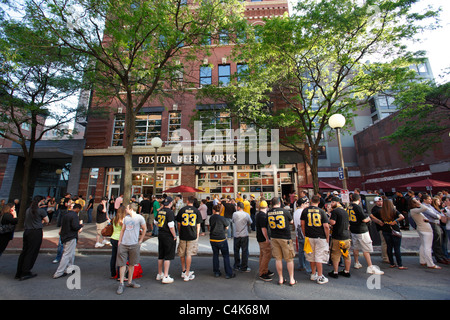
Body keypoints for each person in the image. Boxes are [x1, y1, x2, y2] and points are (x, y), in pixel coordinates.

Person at [346, 194, 384, 275]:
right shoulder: (358, 207)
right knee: (366, 249)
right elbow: (364, 219)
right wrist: (370, 218)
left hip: (353, 229)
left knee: (355, 247)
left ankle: (356, 262)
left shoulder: (349, 207)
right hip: (361, 230)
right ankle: (370, 267)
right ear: (359, 199)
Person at [15, 195, 49, 281]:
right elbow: (47, 220)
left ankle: (19, 272)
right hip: (35, 232)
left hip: (27, 231)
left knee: (25, 251)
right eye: (43, 201)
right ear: (40, 201)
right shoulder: (40, 211)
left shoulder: (28, 210)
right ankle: (25, 272)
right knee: (32, 252)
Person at [116, 203, 147, 294]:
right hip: (124, 244)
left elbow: (144, 228)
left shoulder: (140, 218)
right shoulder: (126, 218)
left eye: (127, 208)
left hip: (134, 244)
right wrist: (120, 241)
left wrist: (140, 240)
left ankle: (129, 281)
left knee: (132, 264)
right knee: (122, 264)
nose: (126, 209)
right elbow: (123, 229)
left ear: (131, 209)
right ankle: (121, 283)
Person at [301, 195, 330, 285]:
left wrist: (305, 234)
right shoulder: (321, 211)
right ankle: (320, 275)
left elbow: (302, 224)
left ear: (310, 201)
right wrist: (327, 237)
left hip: (309, 236)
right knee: (319, 256)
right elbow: (326, 226)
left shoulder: (305, 211)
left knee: (311, 256)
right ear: (319, 202)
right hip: (320, 236)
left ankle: (313, 274)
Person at [267, 197, 296, 286]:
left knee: (278, 259)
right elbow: (291, 221)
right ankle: (291, 279)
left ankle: (280, 278)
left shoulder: (269, 212)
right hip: (285, 237)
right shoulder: (285, 211)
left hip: (274, 237)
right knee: (289, 259)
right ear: (279, 202)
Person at [53, 203, 83, 279]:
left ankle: (69, 267)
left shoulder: (66, 214)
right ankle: (59, 272)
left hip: (65, 235)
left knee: (71, 253)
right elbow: (75, 227)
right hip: (71, 236)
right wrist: (81, 225)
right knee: (67, 254)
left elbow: (63, 225)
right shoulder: (74, 215)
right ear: (78, 209)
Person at [409, 198, 441, 269]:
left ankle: (423, 260)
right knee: (427, 247)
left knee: (423, 245)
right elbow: (424, 208)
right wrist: (418, 202)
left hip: (422, 228)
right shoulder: (414, 210)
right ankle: (430, 263)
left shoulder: (413, 211)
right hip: (425, 229)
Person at [176, 196, 202, 282]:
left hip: (183, 234)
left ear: (187, 201)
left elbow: (178, 223)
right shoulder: (196, 211)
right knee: (189, 254)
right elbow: (198, 224)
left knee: (182, 253)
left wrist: (179, 231)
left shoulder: (182, 210)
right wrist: (197, 234)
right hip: (192, 234)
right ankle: (187, 273)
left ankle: (183, 270)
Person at [379, 198, 407, 269]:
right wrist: (395, 221)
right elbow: (402, 217)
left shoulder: (381, 211)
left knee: (389, 247)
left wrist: (379, 222)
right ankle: (400, 264)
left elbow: (372, 216)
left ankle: (391, 263)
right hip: (394, 229)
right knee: (397, 248)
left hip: (385, 230)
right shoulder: (394, 211)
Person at [328, 197, 351, 279]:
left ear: (336, 202)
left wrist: (329, 219)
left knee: (335, 255)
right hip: (346, 236)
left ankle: (335, 272)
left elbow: (333, 222)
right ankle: (347, 271)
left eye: (332, 202)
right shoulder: (344, 211)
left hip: (337, 236)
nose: (331, 204)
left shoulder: (335, 211)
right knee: (346, 254)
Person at [209, 204, 235, 279]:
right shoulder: (222, 218)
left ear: (213, 210)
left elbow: (211, 225)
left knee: (215, 255)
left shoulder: (211, 218)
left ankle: (216, 272)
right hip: (221, 238)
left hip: (213, 238)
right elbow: (227, 226)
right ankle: (228, 273)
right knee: (225, 256)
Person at [421, 194, 448, 265]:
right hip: (432, 224)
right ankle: (439, 257)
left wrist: (439, 215)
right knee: (436, 241)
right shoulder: (424, 207)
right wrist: (439, 216)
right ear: (424, 200)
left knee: (440, 240)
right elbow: (435, 215)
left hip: (436, 224)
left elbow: (437, 213)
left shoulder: (430, 206)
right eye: (429, 199)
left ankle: (442, 256)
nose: (430, 200)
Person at [156, 197, 177, 284]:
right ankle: (166, 276)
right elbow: (171, 226)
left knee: (161, 254)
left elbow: (155, 222)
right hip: (168, 235)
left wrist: (161, 227)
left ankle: (160, 273)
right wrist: (174, 235)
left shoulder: (160, 211)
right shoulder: (170, 212)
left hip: (160, 233)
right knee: (168, 256)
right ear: (170, 203)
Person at [255, 200, 274, 281]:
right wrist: (267, 238)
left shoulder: (258, 214)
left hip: (259, 237)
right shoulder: (263, 216)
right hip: (263, 238)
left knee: (263, 255)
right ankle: (263, 273)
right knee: (267, 255)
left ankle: (264, 269)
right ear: (267, 207)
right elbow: (264, 228)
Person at [293, 197, 311, 275]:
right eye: (306, 203)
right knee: (307, 251)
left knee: (301, 251)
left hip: (298, 234)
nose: (308, 204)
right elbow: (304, 223)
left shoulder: (296, 212)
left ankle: (301, 265)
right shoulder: (303, 212)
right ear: (302, 204)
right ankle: (308, 268)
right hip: (304, 234)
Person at [232, 201, 252, 272]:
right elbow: (250, 222)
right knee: (244, 251)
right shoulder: (246, 214)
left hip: (236, 235)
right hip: (244, 234)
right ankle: (244, 266)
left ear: (238, 207)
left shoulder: (234, 214)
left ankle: (236, 265)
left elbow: (233, 221)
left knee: (236, 251)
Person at [370, 196, 389, 263]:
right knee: (384, 242)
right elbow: (372, 216)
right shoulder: (375, 209)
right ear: (375, 202)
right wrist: (379, 222)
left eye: (381, 201)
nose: (380, 203)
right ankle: (385, 257)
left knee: (387, 242)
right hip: (381, 227)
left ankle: (387, 256)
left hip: (387, 227)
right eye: (378, 201)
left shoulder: (384, 207)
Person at [110, 206, 127, 279]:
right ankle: (120, 275)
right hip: (120, 239)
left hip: (113, 237)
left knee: (114, 256)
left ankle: (113, 273)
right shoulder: (122, 220)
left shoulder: (114, 219)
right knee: (120, 258)